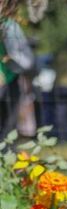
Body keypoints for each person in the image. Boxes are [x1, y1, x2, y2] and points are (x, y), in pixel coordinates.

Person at [0, 10, 34, 139]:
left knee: (9, 125)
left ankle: (6, 153)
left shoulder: (10, 24)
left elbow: (25, 58)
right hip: (7, 78)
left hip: (10, 78)